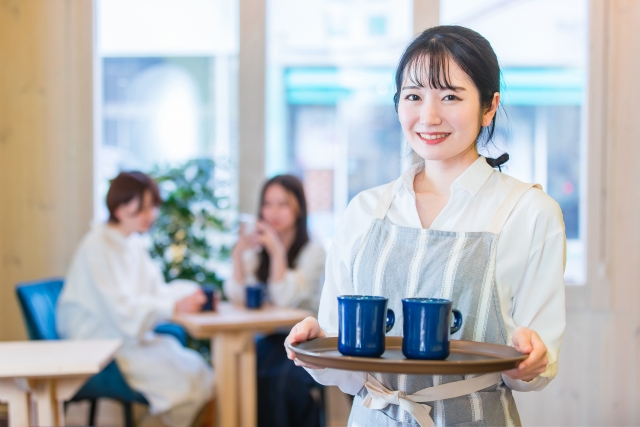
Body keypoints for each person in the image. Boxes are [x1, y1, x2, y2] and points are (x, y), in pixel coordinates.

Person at [285, 25, 566, 427]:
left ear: (489, 107)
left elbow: (536, 368)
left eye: (450, 96)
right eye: (413, 96)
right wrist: (313, 347)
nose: (429, 116)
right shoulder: (364, 211)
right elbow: (347, 375)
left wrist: (532, 360)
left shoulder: (530, 212)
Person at [57, 172, 214, 427]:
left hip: (128, 338)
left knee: (201, 372)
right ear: (119, 208)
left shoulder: (133, 243)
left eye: (152, 207)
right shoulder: (97, 246)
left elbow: (155, 290)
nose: (149, 215)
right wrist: (173, 306)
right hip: (103, 345)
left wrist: (189, 295)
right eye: (141, 209)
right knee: (183, 383)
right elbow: (122, 310)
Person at [224, 175, 326, 427]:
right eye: (267, 204)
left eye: (283, 204)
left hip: (306, 341)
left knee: (280, 381)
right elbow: (237, 296)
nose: (273, 212)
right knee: (241, 374)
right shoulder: (258, 249)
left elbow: (285, 299)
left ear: (298, 208)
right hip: (271, 339)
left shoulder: (313, 250)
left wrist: (277, 252)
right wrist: (238, 255)